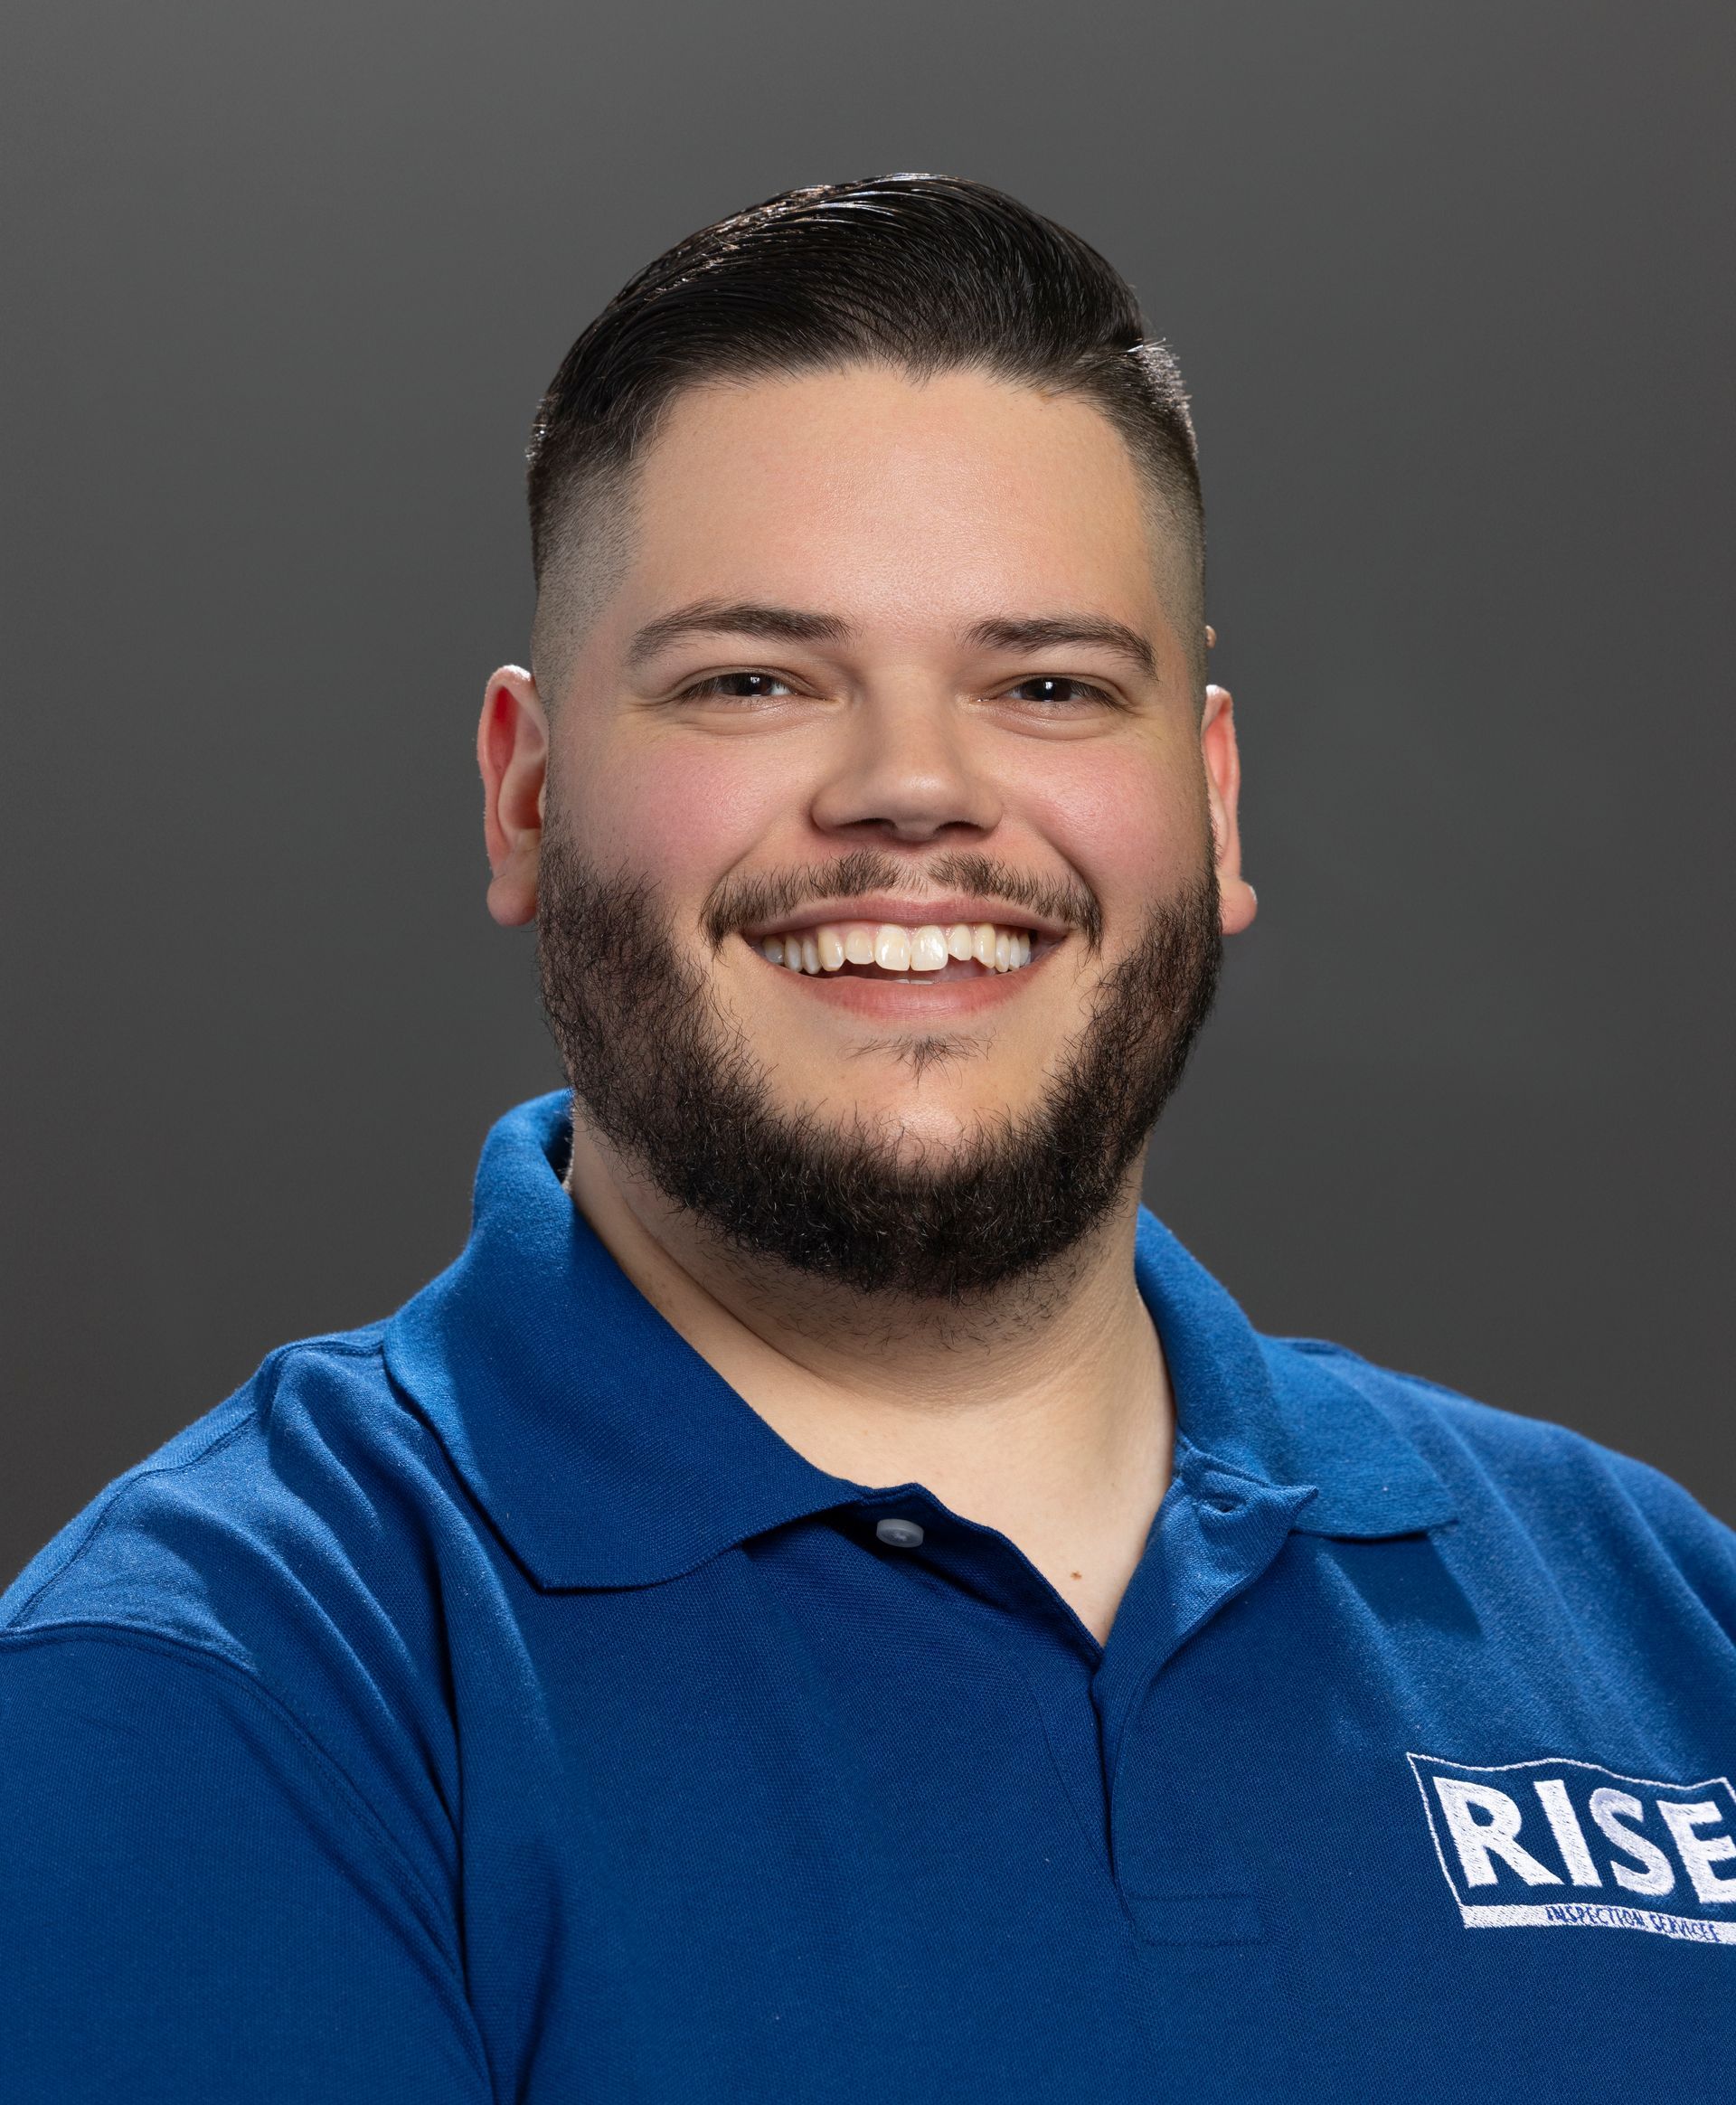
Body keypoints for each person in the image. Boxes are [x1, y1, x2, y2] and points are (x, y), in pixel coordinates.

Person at [4, 175, 1733, 2104]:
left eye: (1051, 686)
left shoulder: (1657, 1618)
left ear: (1216, 803)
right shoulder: (224, 1687)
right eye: (754, 680)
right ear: (526, 793)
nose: (914, 789)